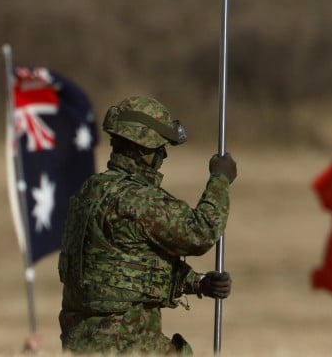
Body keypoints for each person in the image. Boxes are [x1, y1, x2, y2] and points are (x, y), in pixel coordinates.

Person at [58, 94, 237, 354]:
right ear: (143, 149)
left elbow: (124, 269)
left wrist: (198, 283)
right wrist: (220, 179)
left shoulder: (88, 192)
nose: (163, 155)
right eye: (159, 148)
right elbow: (201, 232)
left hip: (79, 342)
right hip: (127, 343)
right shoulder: (139, 200)